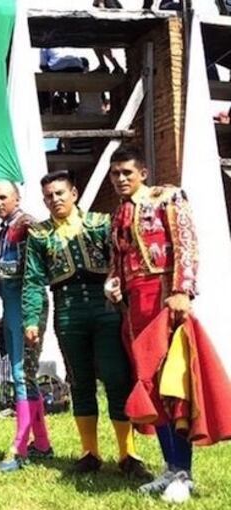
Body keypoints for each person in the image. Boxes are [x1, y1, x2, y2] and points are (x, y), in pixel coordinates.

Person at [22, 170, 150, 478]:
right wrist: (31, 319)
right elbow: (33, 280)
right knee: (79, 380)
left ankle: (128, 454)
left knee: (116, 377)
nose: (55, 200)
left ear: (74, 194)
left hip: (105, 307)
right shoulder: (39, 235)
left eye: (60, 193)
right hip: (68, 310)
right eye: (49, 196)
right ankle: (89, 452)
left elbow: (122, 260)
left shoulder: (100, 223)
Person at [106, 146, 200, 496]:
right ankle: (170, 466)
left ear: (143, 173)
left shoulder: (167, 197)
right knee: (149, 384)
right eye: (115, 174)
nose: (120, 179)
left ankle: (184, 472)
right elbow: (118, 261)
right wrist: (113, 283)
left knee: (173, 384)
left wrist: (182, 290)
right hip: (135, 308)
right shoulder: (119, 213)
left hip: (163, 297)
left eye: (126, 173)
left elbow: (186, 245)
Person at [0, 181, 53, 473]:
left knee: (23, 374)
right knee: (24, 374)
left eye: (3, 197)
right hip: (12, 305)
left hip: (27, 306)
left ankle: (20, 447)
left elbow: (26, 268)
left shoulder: (26, 225)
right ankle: (42, 444)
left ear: (17, 198)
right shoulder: (7, 227)